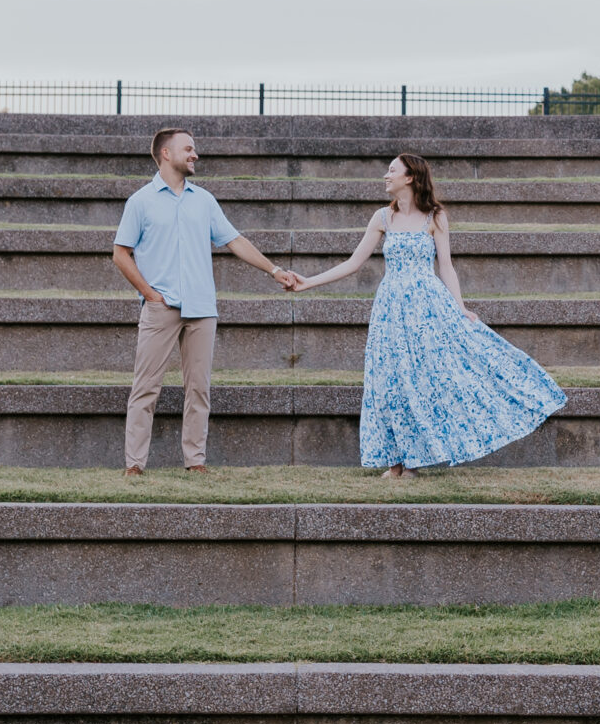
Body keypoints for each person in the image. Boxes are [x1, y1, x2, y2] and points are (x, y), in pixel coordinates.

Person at [285, 151, 564, 476]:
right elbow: (353, 263)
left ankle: (415, 460)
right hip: (391, 309)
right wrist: (307, 283)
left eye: (392, 171)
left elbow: (446, 267)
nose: (385, 176)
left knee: (425, 379)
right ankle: (397, 463)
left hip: (428, 308)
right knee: (389, 381)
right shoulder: (382, 218)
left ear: (410, 178)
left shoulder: (435, 217)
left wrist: (460, 308)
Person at [111, 126, 301, 475]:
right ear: (166, 154)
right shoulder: (140, 201)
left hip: (202, 309)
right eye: (188, 148)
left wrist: (274, 270)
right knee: (145, 389)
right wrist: (151, 295)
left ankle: (195, 461)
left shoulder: (204, 200)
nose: (195, 154)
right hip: (161, 308)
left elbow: (235, 241)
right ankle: (134, 465)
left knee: (198, 389)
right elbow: (120, 254)